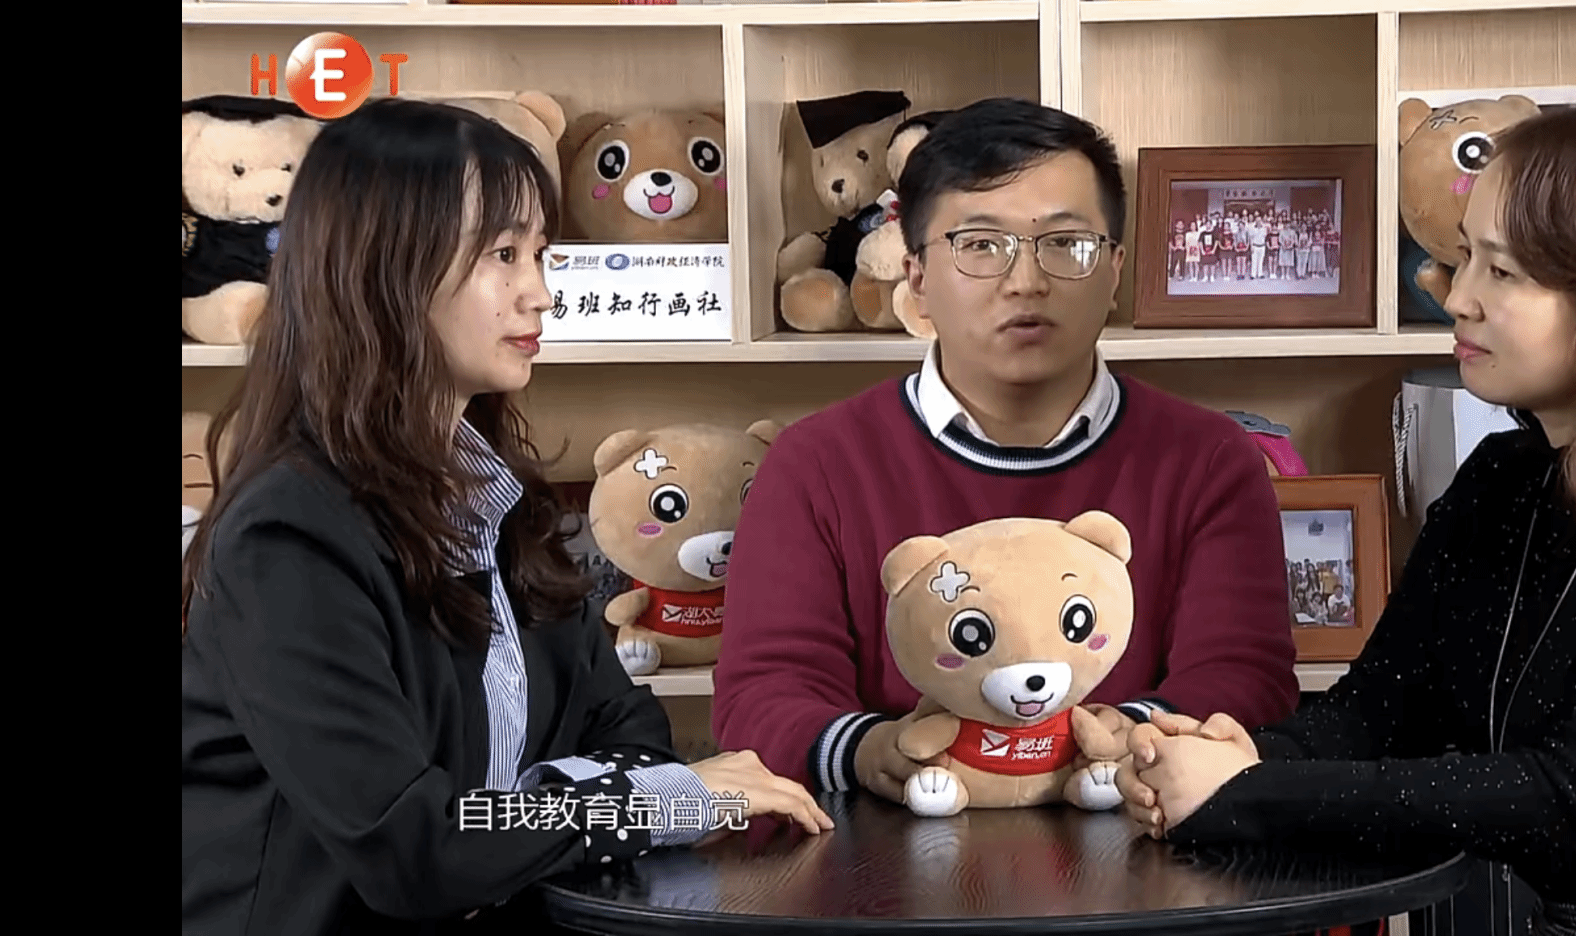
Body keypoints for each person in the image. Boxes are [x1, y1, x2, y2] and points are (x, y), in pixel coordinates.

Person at [1114, 97, 1576, 935]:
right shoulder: (1503, 480)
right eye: (1465, 256)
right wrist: (1236, 754)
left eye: (1502, 272)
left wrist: (1253, 794)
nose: (1458, 298)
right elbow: (1375, 713)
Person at [181, 98, 832, 936]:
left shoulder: (495, 500)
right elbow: (412, 843)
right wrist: (649, 803)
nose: (542, 293)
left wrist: (521, 813)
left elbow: (630, 734)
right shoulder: (287, 538)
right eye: (502, 255)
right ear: (382, 266)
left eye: (540, 254)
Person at [710, 96, 1300, 804]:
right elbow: (762, 698)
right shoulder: (815, 465)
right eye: (981, 244)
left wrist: (1130, 735)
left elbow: (1246, 679)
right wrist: (874, 752)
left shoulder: (1209, 460)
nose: (1026, 281)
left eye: (1066, 243)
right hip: (882, 854)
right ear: (917, 279)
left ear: (1114, 270)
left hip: (1145, 839)